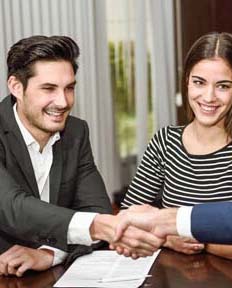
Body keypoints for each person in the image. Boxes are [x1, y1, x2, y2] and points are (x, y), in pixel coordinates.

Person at [116, 21, 232, 249]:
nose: (209, 97)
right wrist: (171, 240)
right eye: (199, 82)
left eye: (223, 86)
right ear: (186, 81)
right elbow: (129, 219)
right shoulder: (164, 141)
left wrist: (191, 240)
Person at [0, 35, 162, 277]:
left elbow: (97, 209)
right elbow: (12, 207)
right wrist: (99, 226)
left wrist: (50, 253)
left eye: (69, 88)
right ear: (16, 87)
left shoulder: (75, 132)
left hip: (48, 275)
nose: (63, 101)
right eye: (48, 89)